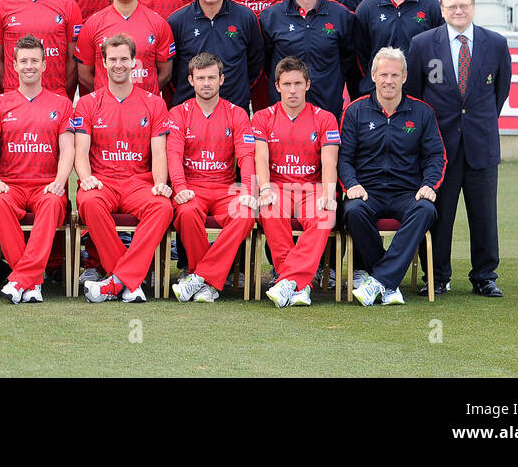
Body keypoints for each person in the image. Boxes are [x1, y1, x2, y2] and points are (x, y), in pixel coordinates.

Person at [405, 0, 511, 298]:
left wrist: (478, 121)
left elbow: (499, 93)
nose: (458, 11)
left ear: (473, 7)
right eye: (451, 6)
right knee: (439, 215)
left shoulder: (495, 43)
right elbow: (415, 94)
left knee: (484, 216)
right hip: (440, 148)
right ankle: (437, 277)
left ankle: (484, 276)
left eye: (463, 5)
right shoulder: (423, 44)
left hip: (481, 145)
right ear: (442, 10)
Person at [339, 48, 446, 307]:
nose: (389, 80)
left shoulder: (422, 112)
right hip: (367, 192)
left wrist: (429, 185)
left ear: (405, 77)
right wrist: (352, 185)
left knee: (425, 211)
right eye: (384, 74)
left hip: (406, 193)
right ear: (373, 76)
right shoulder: (355, 111)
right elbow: (343, 158)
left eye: (395, 75)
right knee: (352, 211)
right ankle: (388, 280)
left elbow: (436, 157)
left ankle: (378, 281)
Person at [74, 34, 173, 304]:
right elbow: (80, 152)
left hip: (138, 183)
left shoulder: (154, 103)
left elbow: (159, 151)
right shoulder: (87, 103)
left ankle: (118, 281)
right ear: (103, 63)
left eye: (124, 59)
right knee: (89, 203)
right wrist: (85, 178)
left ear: (134, 63)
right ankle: (131, 280)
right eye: (112, 59)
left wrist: (160, 182)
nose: (119, 65)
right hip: (102, 182)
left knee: (163, 206)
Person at [0, 35, 76, 303]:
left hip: (46, 184)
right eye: (23, 61)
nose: (29, 66)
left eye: (35, 61)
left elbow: (68, 147)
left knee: (50, 203)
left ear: (45, 65)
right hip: (11, 184)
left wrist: (60, 181)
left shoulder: (61, 104)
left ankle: (21, 280)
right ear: (13, 65)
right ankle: (32, 281)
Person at [165, 53, 258, 304]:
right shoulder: (178, 113)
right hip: (192, 188)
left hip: (225, 188)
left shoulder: (237, 114)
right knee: (185, 213)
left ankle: (200, 277)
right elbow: (173, 154)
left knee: (247, 213)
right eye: (201, 78)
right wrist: (180, 187)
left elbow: (246, 155)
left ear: (222, 79)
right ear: (191, 81)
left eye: (212, 78)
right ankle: (210, 281)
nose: (206, 83)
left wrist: (249, 189)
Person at [252, 57, 341, 308]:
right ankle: (300, 285)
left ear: (308, 85)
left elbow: (329, 162)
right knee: (268, 209)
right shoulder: (262, 117)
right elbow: (260, 157)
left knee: (324, 215)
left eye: (298, 83)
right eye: (287, 84)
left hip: (312, 188)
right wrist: (265, 188)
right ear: (277, 86)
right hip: (278, 187)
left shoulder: (325, 118)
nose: (293, 90)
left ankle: (287, 281)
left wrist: (329, 193)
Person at [259, 0, 359, 119]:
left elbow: (347, 60)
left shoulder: (342, 16)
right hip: (286, 106)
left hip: (327, 103)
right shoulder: (271, 16)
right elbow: (266, 61)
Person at [167, 0, 262, 109]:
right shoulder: (177, 21)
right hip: (189, 110)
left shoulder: (245, 17)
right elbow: (171, 71)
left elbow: (256, 63)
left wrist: (238, 90)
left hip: (235, 108)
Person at [74, 0, 174, 97]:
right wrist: (109, 96)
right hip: (106, 110)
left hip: (146, 109)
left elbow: (165, 74)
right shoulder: (93, 24)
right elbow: (84, 75)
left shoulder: (158, 23)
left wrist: (143, 97)